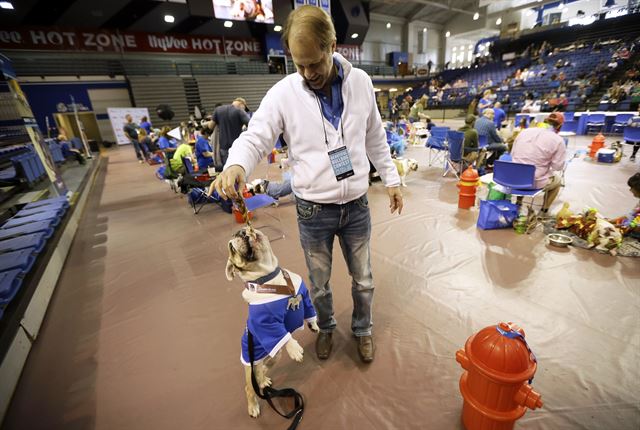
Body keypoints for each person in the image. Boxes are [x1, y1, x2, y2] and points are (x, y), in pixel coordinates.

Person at [209, 5, 402, 363]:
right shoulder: (284, 93)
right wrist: (236, 164)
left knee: (364, 279)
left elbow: (375, 135)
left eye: (314, 63)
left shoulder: (360, 82)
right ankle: (326, 327)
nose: (307, 72)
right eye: (298, 64)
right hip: (313, 209)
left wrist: (392, 179)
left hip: (357, 206)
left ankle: (362, 328)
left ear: (332, 45)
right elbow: (256, 136)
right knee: (320, 283)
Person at [511, 112, 567, 215]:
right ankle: (544, 210)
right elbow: (557, 167)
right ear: (559, 126)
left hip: (513, 178)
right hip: (533, 182)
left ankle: (518, 202)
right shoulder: (558, 140)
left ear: (544, 121)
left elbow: (512, 153)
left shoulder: (524, 132)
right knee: (557, 181)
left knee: (522, 169)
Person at [208, 98, 250, 166]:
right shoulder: (239, 111)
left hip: (223, 148)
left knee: (227, 168)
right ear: (241, 104)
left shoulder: (218, 110)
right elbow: (251, 124)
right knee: (238, 167)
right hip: (237, 147)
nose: (244, 110)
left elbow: (210, 126)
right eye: (244, 108)